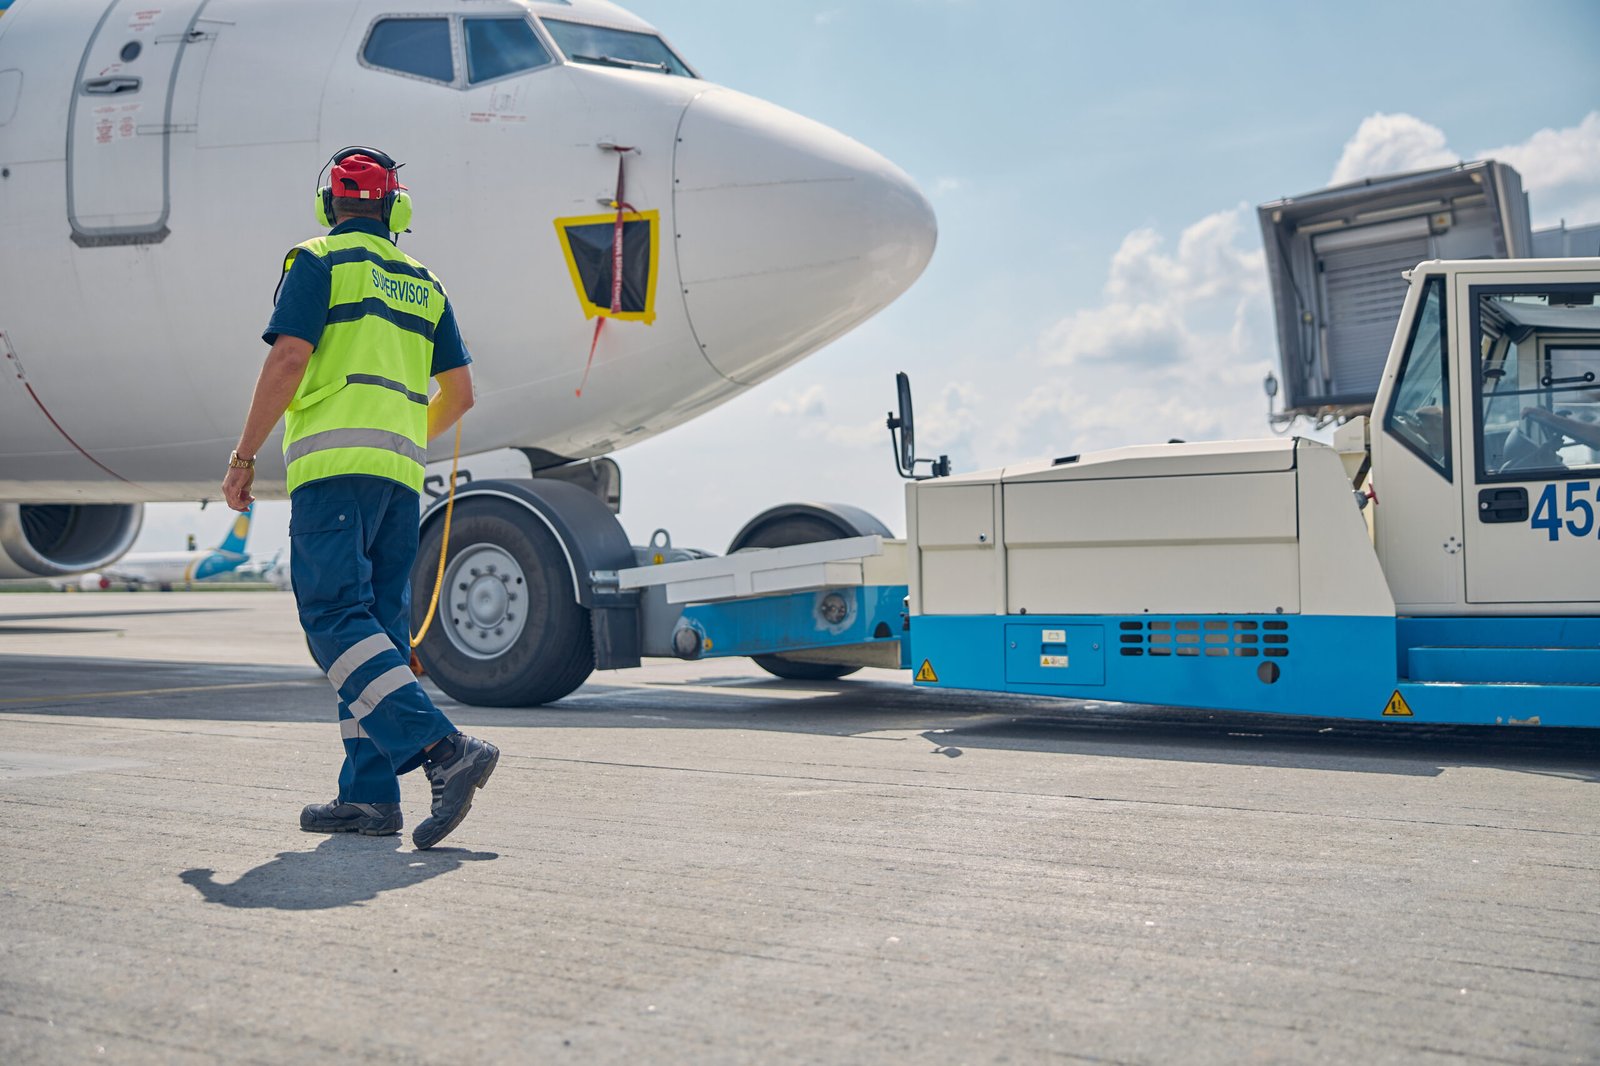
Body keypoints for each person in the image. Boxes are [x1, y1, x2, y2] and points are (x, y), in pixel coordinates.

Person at [221, 146, 497, 850]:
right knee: (375, 632)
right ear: (393, 208)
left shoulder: (316, 261)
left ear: (330, 205)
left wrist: (244, 455)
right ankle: (370, 799)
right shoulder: (424, 281)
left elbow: (289, 357)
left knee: (332, 618)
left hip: (334, 470)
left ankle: (444, 750)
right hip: (398, 479)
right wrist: (400, 432)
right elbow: (460, 395)